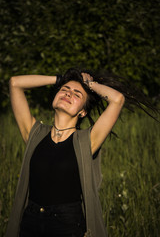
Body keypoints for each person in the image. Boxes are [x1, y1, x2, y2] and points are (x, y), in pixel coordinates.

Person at [5, 68, 158, 237]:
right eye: (64, 90)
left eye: (77, 94)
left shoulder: (87, 140)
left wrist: (90, 84)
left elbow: (117, 99)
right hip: (30, 222)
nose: (68, 94)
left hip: (67, 225)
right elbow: (15, 83)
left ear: (83, 112)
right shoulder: (35, 133)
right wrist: (59, 79)